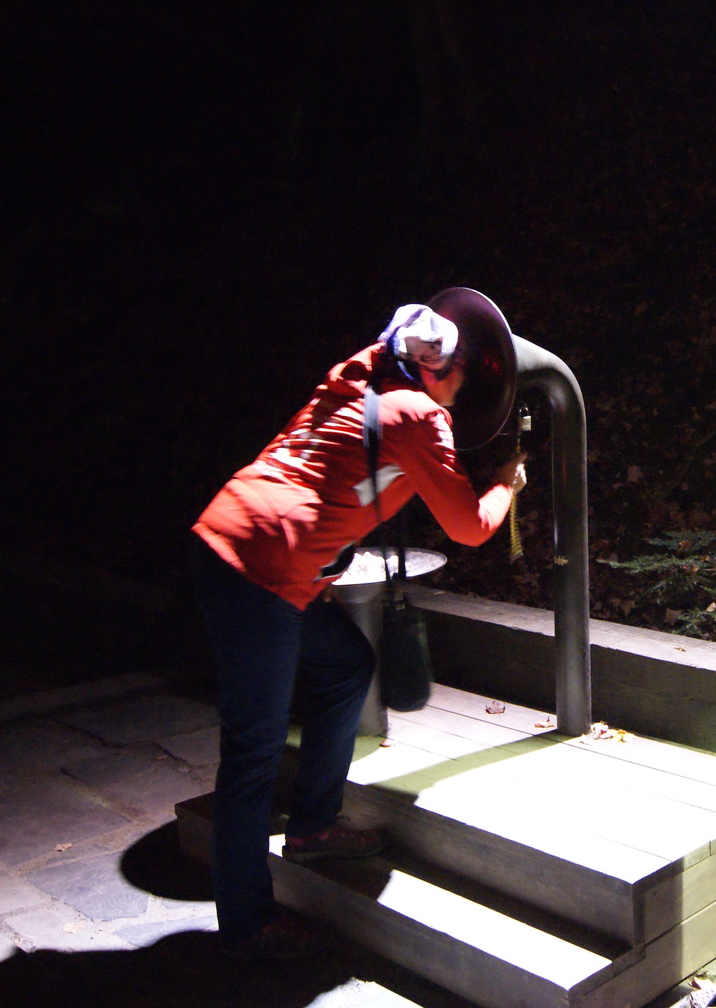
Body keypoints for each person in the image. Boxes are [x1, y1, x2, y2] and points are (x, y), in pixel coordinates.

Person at [189, 302, 525, 958]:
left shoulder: (358, 378)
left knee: (346, 666)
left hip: (241, 546)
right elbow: (469, 527)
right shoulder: (418, 414)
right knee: (253, 754)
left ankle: (313, 827)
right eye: (462, 371)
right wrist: (505, 485)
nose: (465, 387)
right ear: (435, 369)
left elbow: (337, 472)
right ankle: (248, 926)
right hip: (256, 571)